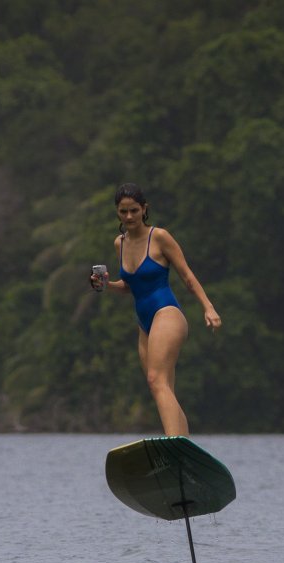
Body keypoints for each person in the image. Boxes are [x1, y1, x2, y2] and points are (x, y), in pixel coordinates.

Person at [89, 183, 221, 436]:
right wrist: (106, 285)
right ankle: (183, 446)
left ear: (144, 209)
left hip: (167, 313)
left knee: (155, 379)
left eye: (134, 211)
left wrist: (209, 308)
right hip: (145, 323)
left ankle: (174, 446)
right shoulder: (120, 243)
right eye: (123, 211)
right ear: (117, 212)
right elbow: (129, 285)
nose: (129, 216)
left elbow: (187, 276)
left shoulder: (159, 236)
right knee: (162, 388)